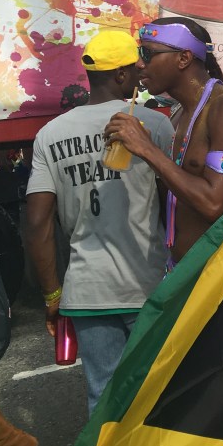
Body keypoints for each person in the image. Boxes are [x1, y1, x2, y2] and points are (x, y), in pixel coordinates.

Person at [24, 30, 175, 414]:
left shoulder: (49, 135)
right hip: (147, 285)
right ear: (121, 75)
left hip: (86, 292)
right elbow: (171, 205)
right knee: (158, 397)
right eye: (135, 68)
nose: (141, 73)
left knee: (104, 401)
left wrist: (52, 296)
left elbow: (38, 223)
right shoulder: (154, 125)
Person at [104, 18, 223, 268]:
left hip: (217, 271)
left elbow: (213, 205)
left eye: (147, 54)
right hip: (179, 268)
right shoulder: (178, 113)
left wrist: (148, 149)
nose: (139, 64)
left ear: (184, 58)